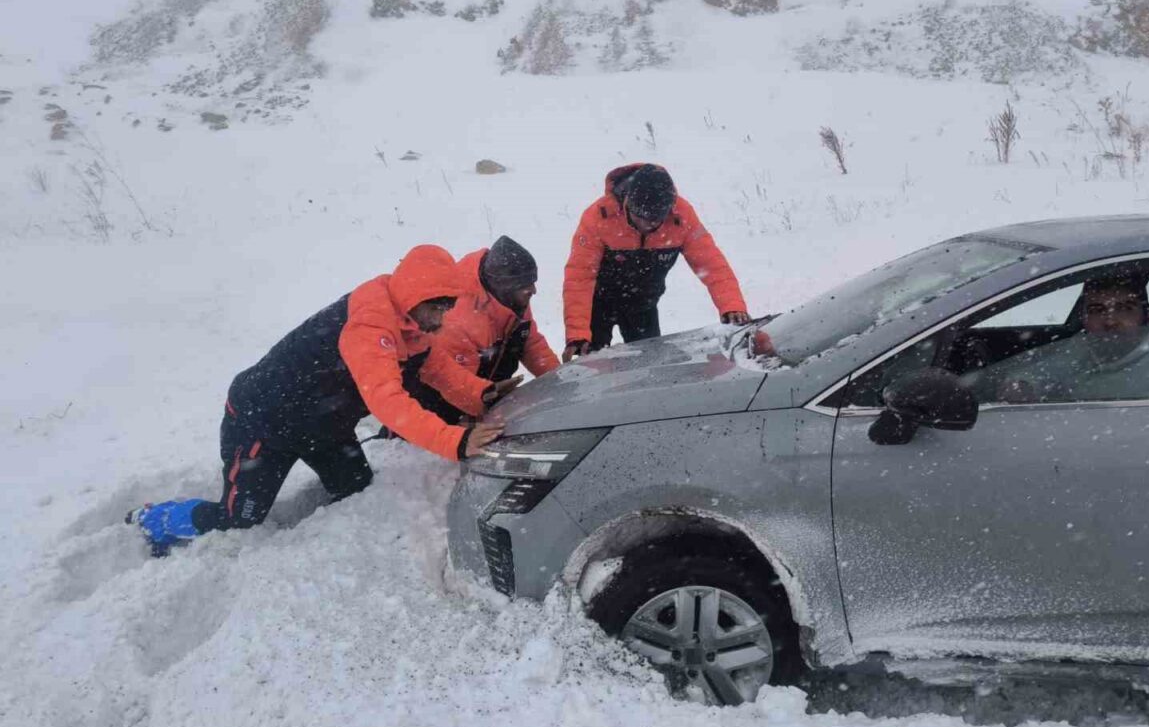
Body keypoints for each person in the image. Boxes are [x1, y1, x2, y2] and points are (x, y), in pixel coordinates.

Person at [129, 245, 504, 552]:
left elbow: (435, 368)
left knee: (355, 488)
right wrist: (455, 442)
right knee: (239, 519)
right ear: (415, 295)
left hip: (324, 425)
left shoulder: (413, 321)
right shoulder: (371, 323)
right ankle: (154, 519)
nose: (441, 320)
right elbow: (387, 402)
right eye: (436, 308)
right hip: (264, 421)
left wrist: (481, 394)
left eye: (447, 308)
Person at [562, 163, 749, 359]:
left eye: (656, 218)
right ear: (627, 202)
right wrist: (577, 335)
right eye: (641, 216)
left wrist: (732, 306)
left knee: (651, 366)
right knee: (590, 367)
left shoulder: (682, 216)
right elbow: (579, 277)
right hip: (596, 305)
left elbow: (712, 265)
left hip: (643, 304)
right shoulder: (598, 217)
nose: (648, 224)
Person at [979, 274, 1149, 404]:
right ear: (1084, 317)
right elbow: (1047, 370)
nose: (1110, 321)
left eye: (1124, 308)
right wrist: (1023, 384)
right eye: (1098, 310)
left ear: (1146, 315)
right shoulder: (1085, 347)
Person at [408, 236, 559, 423]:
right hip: (442, 407)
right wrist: (480, 418)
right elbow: (457, 385)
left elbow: (531, 344)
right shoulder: (459, 317)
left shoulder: (513, 300)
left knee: (518, 335)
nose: (534, 290)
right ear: (505, 288)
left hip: (486, 389)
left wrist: (559, 380)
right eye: (526, 286)